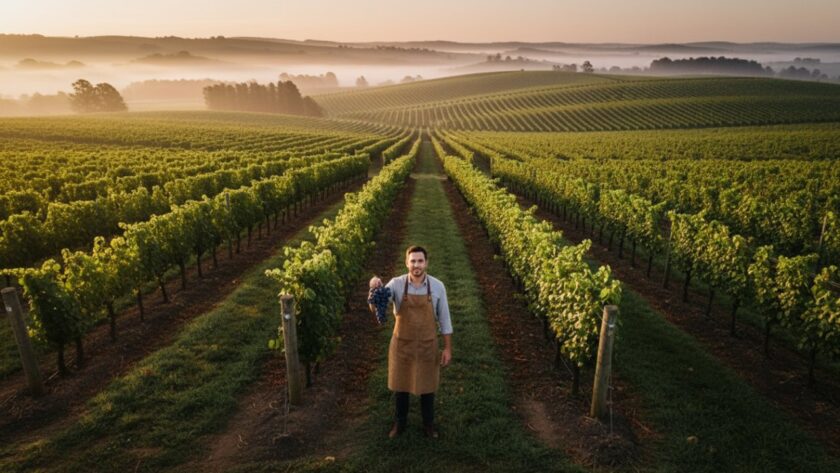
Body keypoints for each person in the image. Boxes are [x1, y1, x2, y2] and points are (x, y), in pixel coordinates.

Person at [369, 245, 452, 439]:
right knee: (401, 386)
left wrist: (447, 348)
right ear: (407, 263)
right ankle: (400, 423)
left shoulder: (438, 286)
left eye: (420, 261)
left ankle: (428, 424)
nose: (416, 265)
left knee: (428, 387)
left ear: (426, 263)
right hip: (402, 345)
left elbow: (445, 319)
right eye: (413, 261)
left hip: (427, 345)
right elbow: (376, 305)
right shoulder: (396, 284)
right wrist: (374, 287)